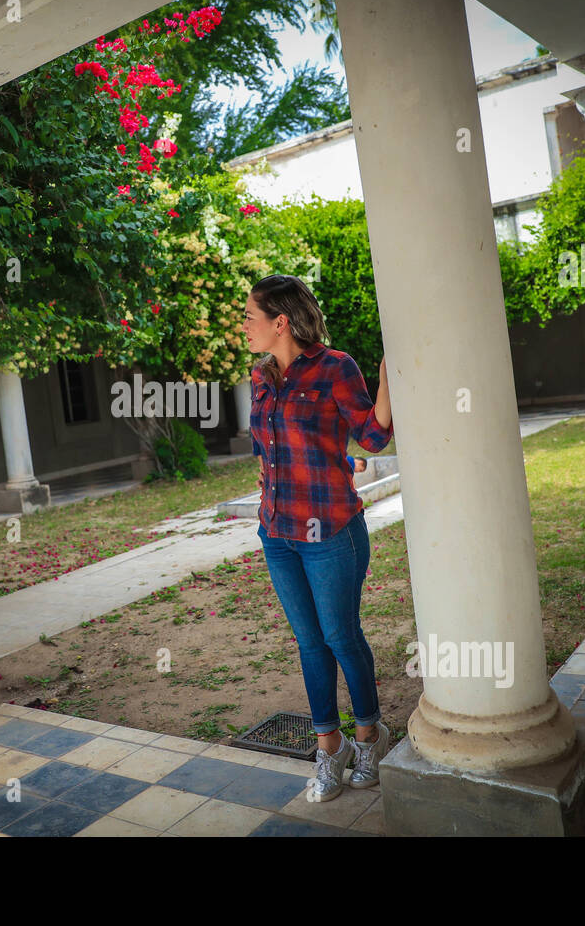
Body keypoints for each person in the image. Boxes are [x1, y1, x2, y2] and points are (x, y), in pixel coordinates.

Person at [244, 274, 393, 802]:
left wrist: (387, 376)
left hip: (331, 530)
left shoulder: (336, 367)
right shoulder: (260, 375)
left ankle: (370, 734)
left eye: (250, 318)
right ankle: (329, 749)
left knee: (340, 638)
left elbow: (373, 437)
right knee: (309, 643)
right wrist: (266, 472)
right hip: (277, 531)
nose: (244, 327)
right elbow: (265, 444)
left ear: (280, 321)